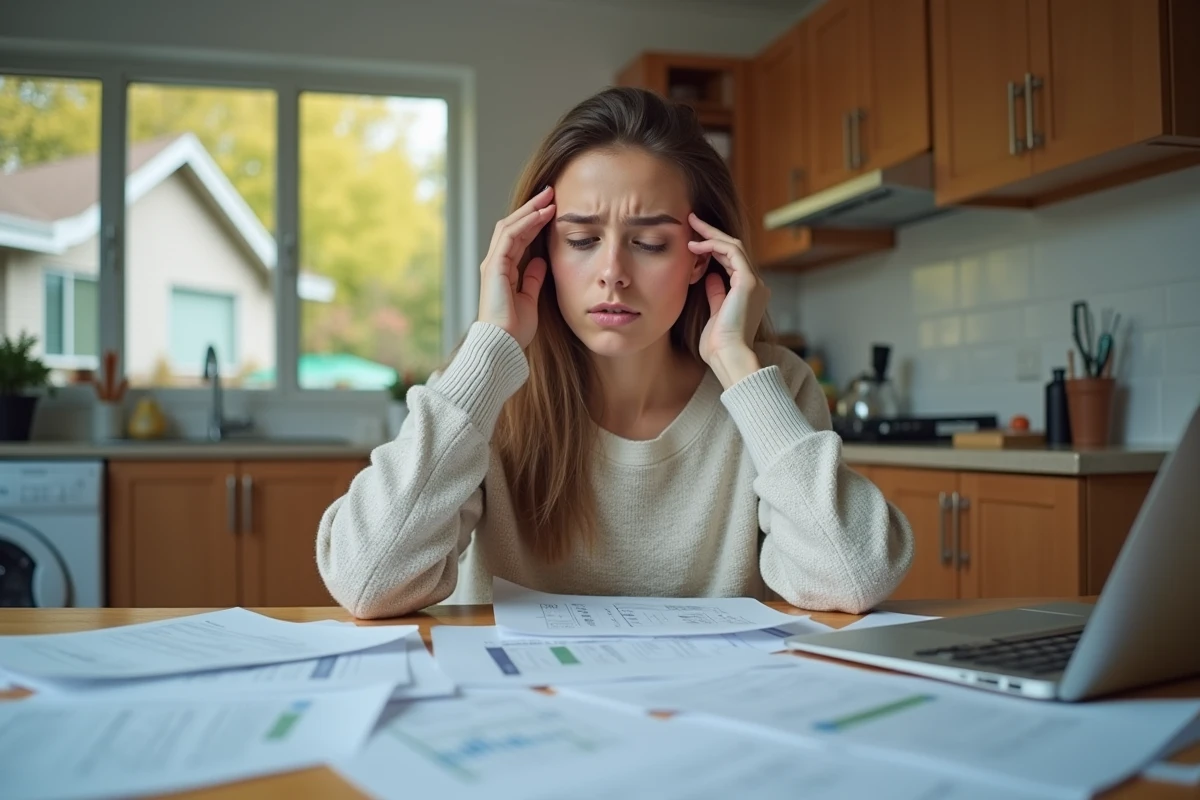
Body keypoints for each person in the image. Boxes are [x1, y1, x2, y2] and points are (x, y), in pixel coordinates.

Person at [316, 87, 913, 619]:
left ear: (701, 255)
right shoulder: (485, 387)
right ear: (537, 251)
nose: (612, 274)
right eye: (580, 240)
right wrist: (487, 352)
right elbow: (366, 581)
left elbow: (852, 578)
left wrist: (737, 365)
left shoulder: (770, 385)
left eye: (650, 243)